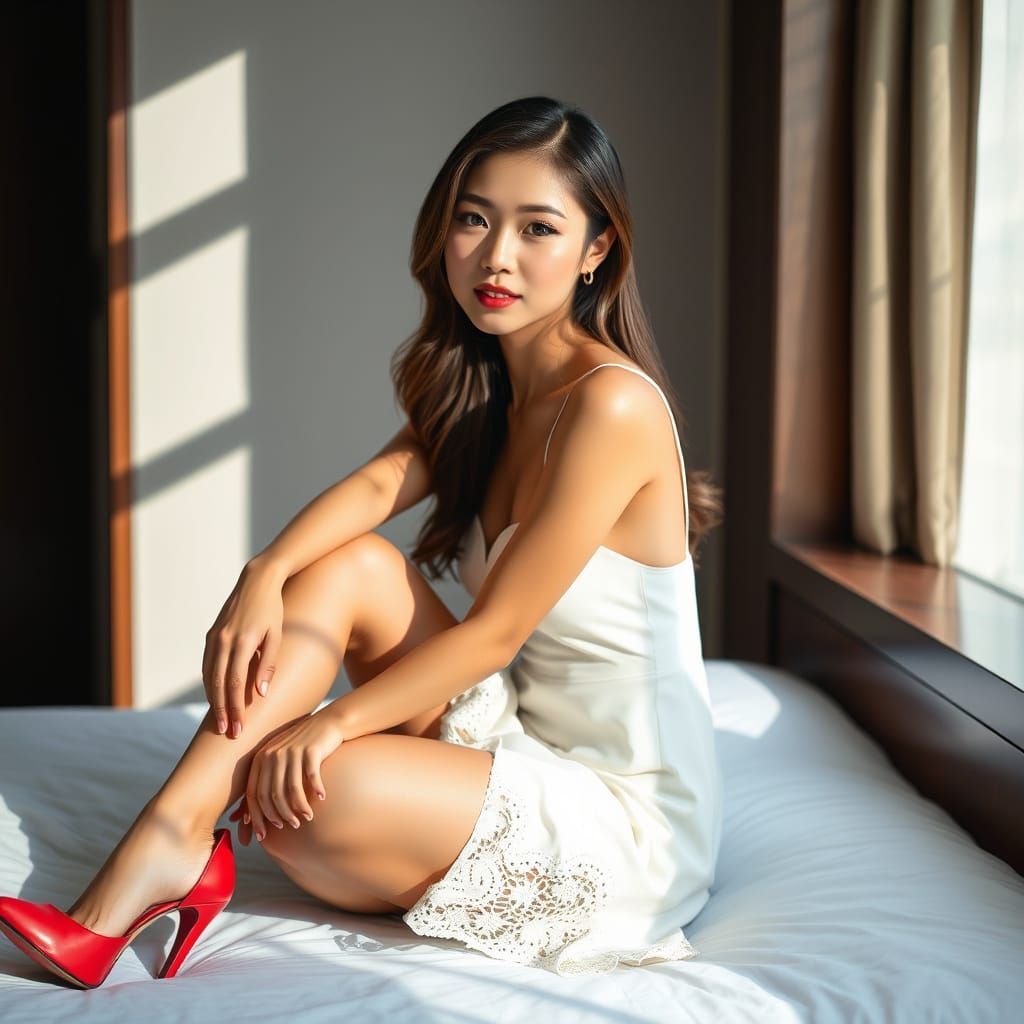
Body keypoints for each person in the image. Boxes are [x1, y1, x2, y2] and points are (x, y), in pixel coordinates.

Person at [0, 95, 724, 984]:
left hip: (623, 812)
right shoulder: (491, 389)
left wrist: (332, 724)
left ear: (597, 249)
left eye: (538, 228)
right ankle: (169, 839)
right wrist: (264, 571)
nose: (496, 256)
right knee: (352, 570)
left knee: (307, 787)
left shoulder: (611, 404)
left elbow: (494, 635)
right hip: (521, 733)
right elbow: (381, 486)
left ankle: (173, 855)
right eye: (474, 219)